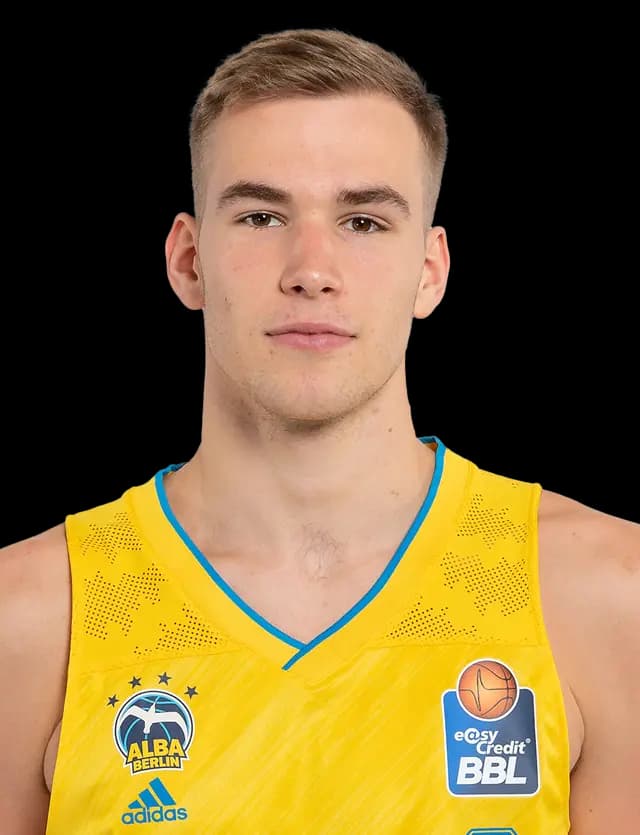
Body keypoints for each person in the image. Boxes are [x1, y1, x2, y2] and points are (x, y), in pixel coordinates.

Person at [1, 27, 638, 835]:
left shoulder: (607, 593)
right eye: (261, 215)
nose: (311, 268)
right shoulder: (29, 617)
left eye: (363, 221)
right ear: (189, 261)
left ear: (430, 271)